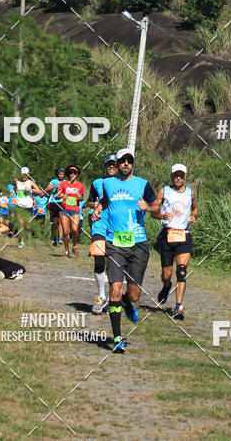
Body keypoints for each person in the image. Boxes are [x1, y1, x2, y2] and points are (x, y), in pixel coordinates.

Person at [91, 148, 158, 354]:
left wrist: (147, 207)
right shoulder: (108, 184)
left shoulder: (142, 184)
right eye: (122, 161)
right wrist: (97, 209)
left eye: (129, 161)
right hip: (115, 243)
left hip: (138, 244)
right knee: (115, 289)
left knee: (134, 295)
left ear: (133, 164)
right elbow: (105, 200)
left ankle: (128, 304)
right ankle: (118, 337)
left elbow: (157, 206)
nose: (125, 164)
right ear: (118, 164)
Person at [152, 163, 198, 320]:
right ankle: (166, 285)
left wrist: (193, 217)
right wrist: (162, 216)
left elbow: (196, 209)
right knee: (167, 274)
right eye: (176, 175)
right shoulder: (164, 191)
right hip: (167, 236)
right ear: (171, 176)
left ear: (185, 177)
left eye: (181, 175)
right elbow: (153, 212)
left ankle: (179, 307)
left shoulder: (191, 193)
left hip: (183, 236)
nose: (178, 178)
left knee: (182, 271)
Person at [85, 153, 118, 314]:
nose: (111, 166)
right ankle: (100, 296)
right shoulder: (97, 182)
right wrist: (95, 204)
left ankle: (114, 297)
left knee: (114, 265)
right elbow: (90, 200)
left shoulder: (125, 183)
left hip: (117, 227)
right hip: (99, 224)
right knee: (99, 260)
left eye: (114, 164)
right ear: (105, 166)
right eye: (109, 164)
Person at [55, 165, 84, 257]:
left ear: (77, 174)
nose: (72, 174)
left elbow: (82, 198)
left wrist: (80, 198)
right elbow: (57, 196)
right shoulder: (63, 184)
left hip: (75, 210)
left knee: (75, 230)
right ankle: (66, 250)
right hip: (65, 210)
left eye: (74, 173)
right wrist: (62, 196)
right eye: (70, 173)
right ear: (68, 174)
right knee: (66, 232)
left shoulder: (80, 185)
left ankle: (74, 245)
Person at [12, 167, 44, 248]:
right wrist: (12, 194)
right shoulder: (17, 182)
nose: (24, 176)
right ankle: (21, 242)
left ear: (28, 175)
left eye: (26, 175)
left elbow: (40, 192)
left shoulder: (31, 182)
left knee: (27, 226)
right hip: (19, 205)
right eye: (23, 174)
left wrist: (31, 189)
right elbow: (15, 189)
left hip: (28, 207)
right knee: (20, 224)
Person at [45, 166, 65, 247]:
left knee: (61, 221)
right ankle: (54, 238)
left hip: (62, 202)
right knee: (55, 222)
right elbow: (46, 189)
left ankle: (60, 238)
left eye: (63, 174)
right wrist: (56, 185)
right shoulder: (54, 181)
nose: (61, 176)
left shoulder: (66, 181)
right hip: (54, 202)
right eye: (60, 174)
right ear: (58, 174)